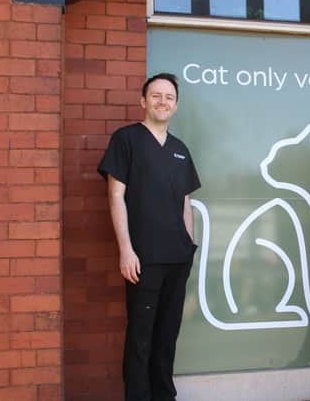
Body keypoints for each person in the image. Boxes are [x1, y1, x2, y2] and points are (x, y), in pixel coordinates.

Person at [97, 73, 200, 401]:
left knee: (167, 337)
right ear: (143, 101)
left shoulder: (180, 149)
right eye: (156, 95)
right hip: (143, 258)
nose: (162, 101)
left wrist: (190, 245)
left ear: (176, 105)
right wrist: (126, 250)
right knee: (141, 338)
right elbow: (115, 196)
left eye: (169, 97)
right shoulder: (126, 139)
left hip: (177, 258)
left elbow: (186, 202)